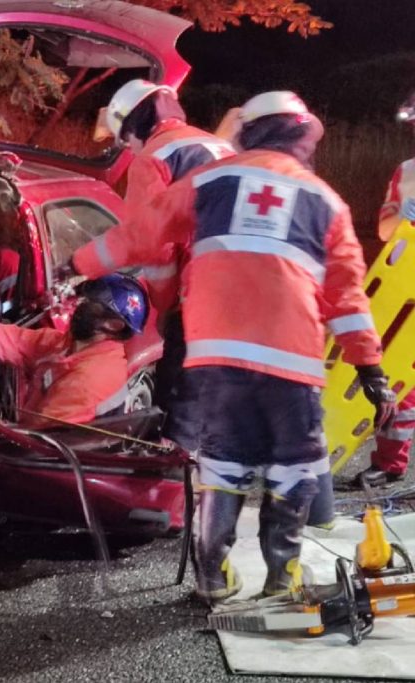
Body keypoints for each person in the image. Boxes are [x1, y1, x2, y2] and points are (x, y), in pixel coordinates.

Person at [72, 91, 396, 602]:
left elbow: (142, 233)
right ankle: (282, 582)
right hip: (292, 356)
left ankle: (211, 579)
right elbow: (348, 299)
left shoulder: (209, 181)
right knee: (292, 466)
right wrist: (370, 367)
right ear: (302, 137)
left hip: (215, 351)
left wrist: (81, 263)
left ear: (248, 132)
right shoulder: (329, 203)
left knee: (222, 464)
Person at [104, 78, 236, 449]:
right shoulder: (216, 144)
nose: (129, 148)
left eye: (126, 139)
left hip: (204, 288)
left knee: (179, 394)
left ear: (134, 125)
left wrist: (165, 307)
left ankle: (173, 482)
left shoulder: (153, 159)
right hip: (251, 282)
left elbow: (154, 247)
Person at [0, 275, 146, 429]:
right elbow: (15, 341)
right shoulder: (70, 345)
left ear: (114, 324)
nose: (79, 304)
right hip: (34, 432)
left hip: (56, 472)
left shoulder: (93, 377)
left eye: (90, 303)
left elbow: (42, 436)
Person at [348, 93, 415, 488]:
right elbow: (383, 227)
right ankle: (391, 462)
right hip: (401, 286)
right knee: (394, 379)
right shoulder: (406, 170)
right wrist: (399, 218)